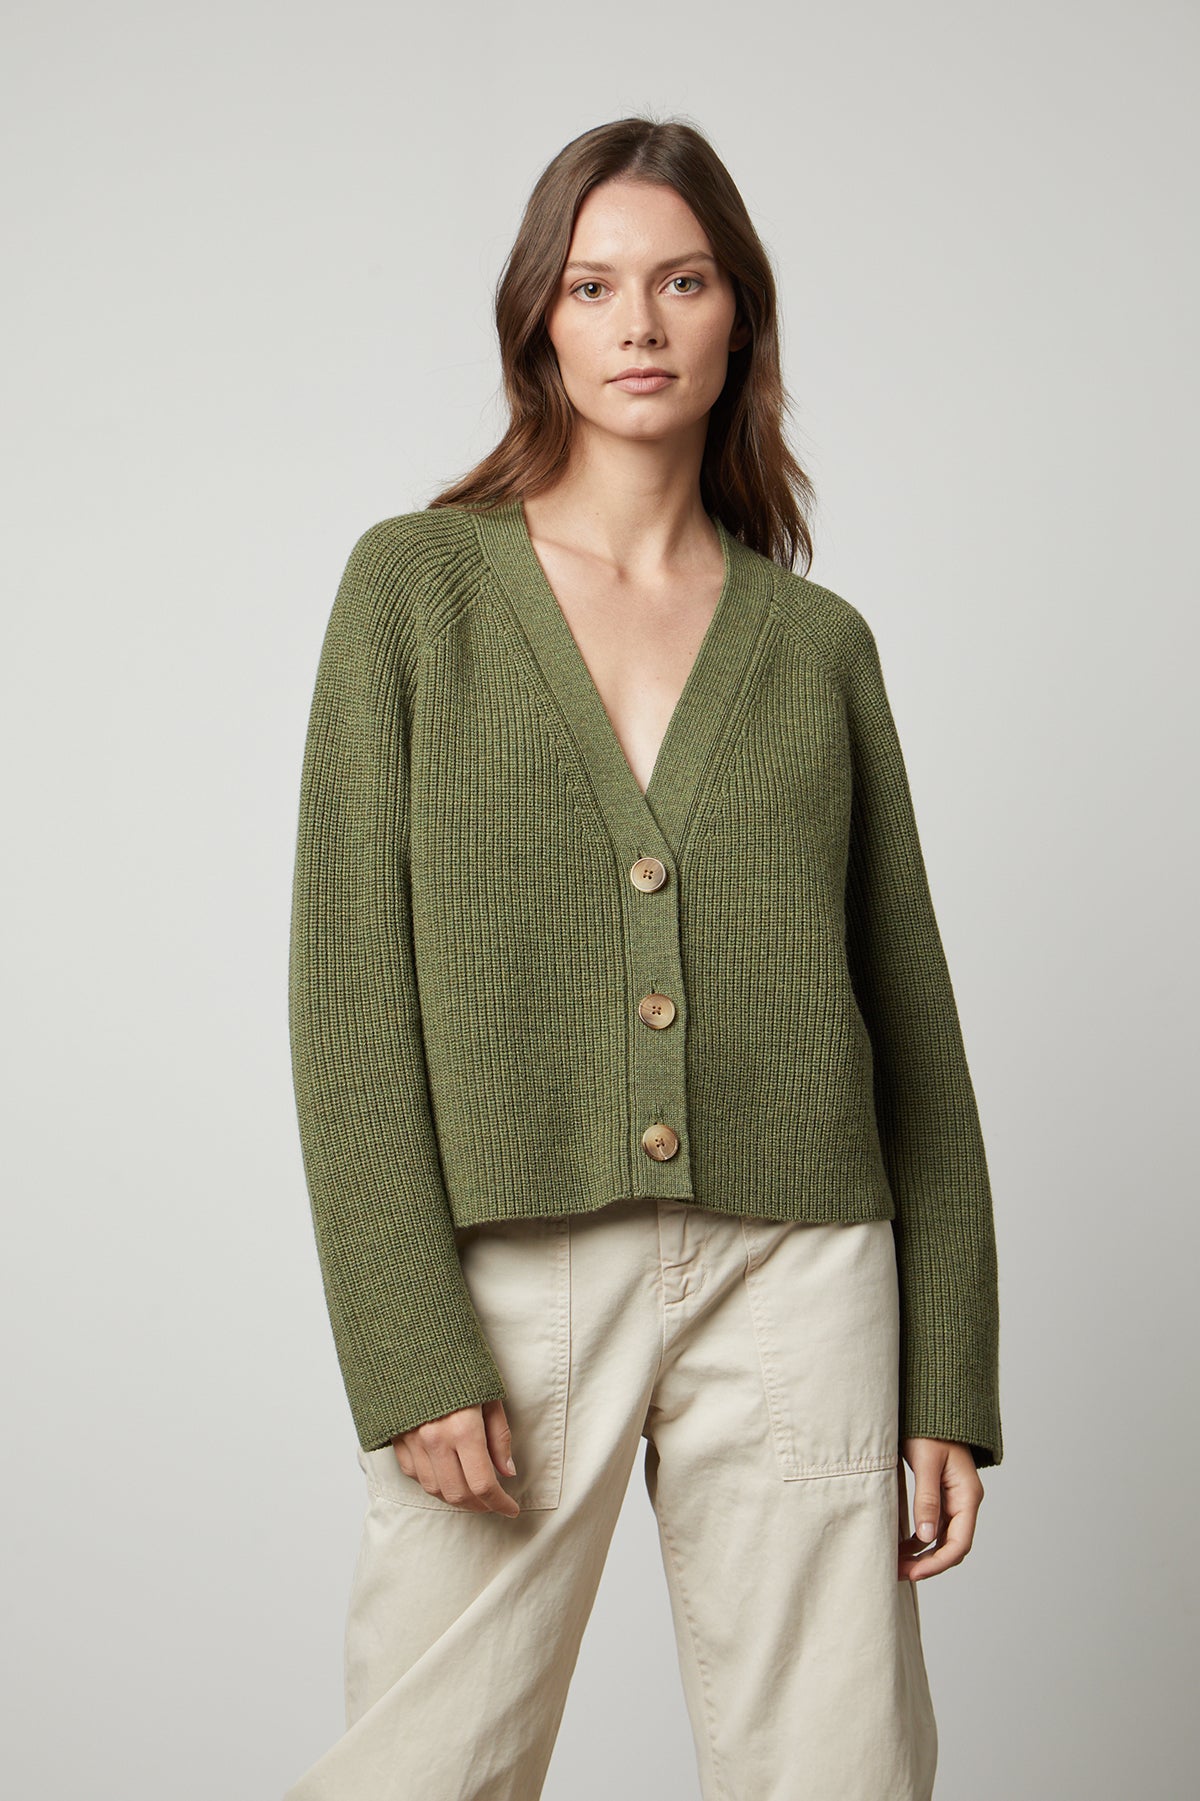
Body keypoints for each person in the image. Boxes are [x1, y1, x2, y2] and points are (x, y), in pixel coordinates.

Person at [283, 114, 1003, 1801]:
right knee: (423, 1768)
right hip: (511, 1269)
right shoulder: (417, 592)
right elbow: (345, 996)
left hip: (802, 1272)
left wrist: (950, 1372)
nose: (639, 324)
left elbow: (912, 1022)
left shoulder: (816, 646)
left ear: (739, 313)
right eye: (594, 285)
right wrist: (404, 1337)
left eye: (681, 282)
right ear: (539, 318)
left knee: (840, 1768)